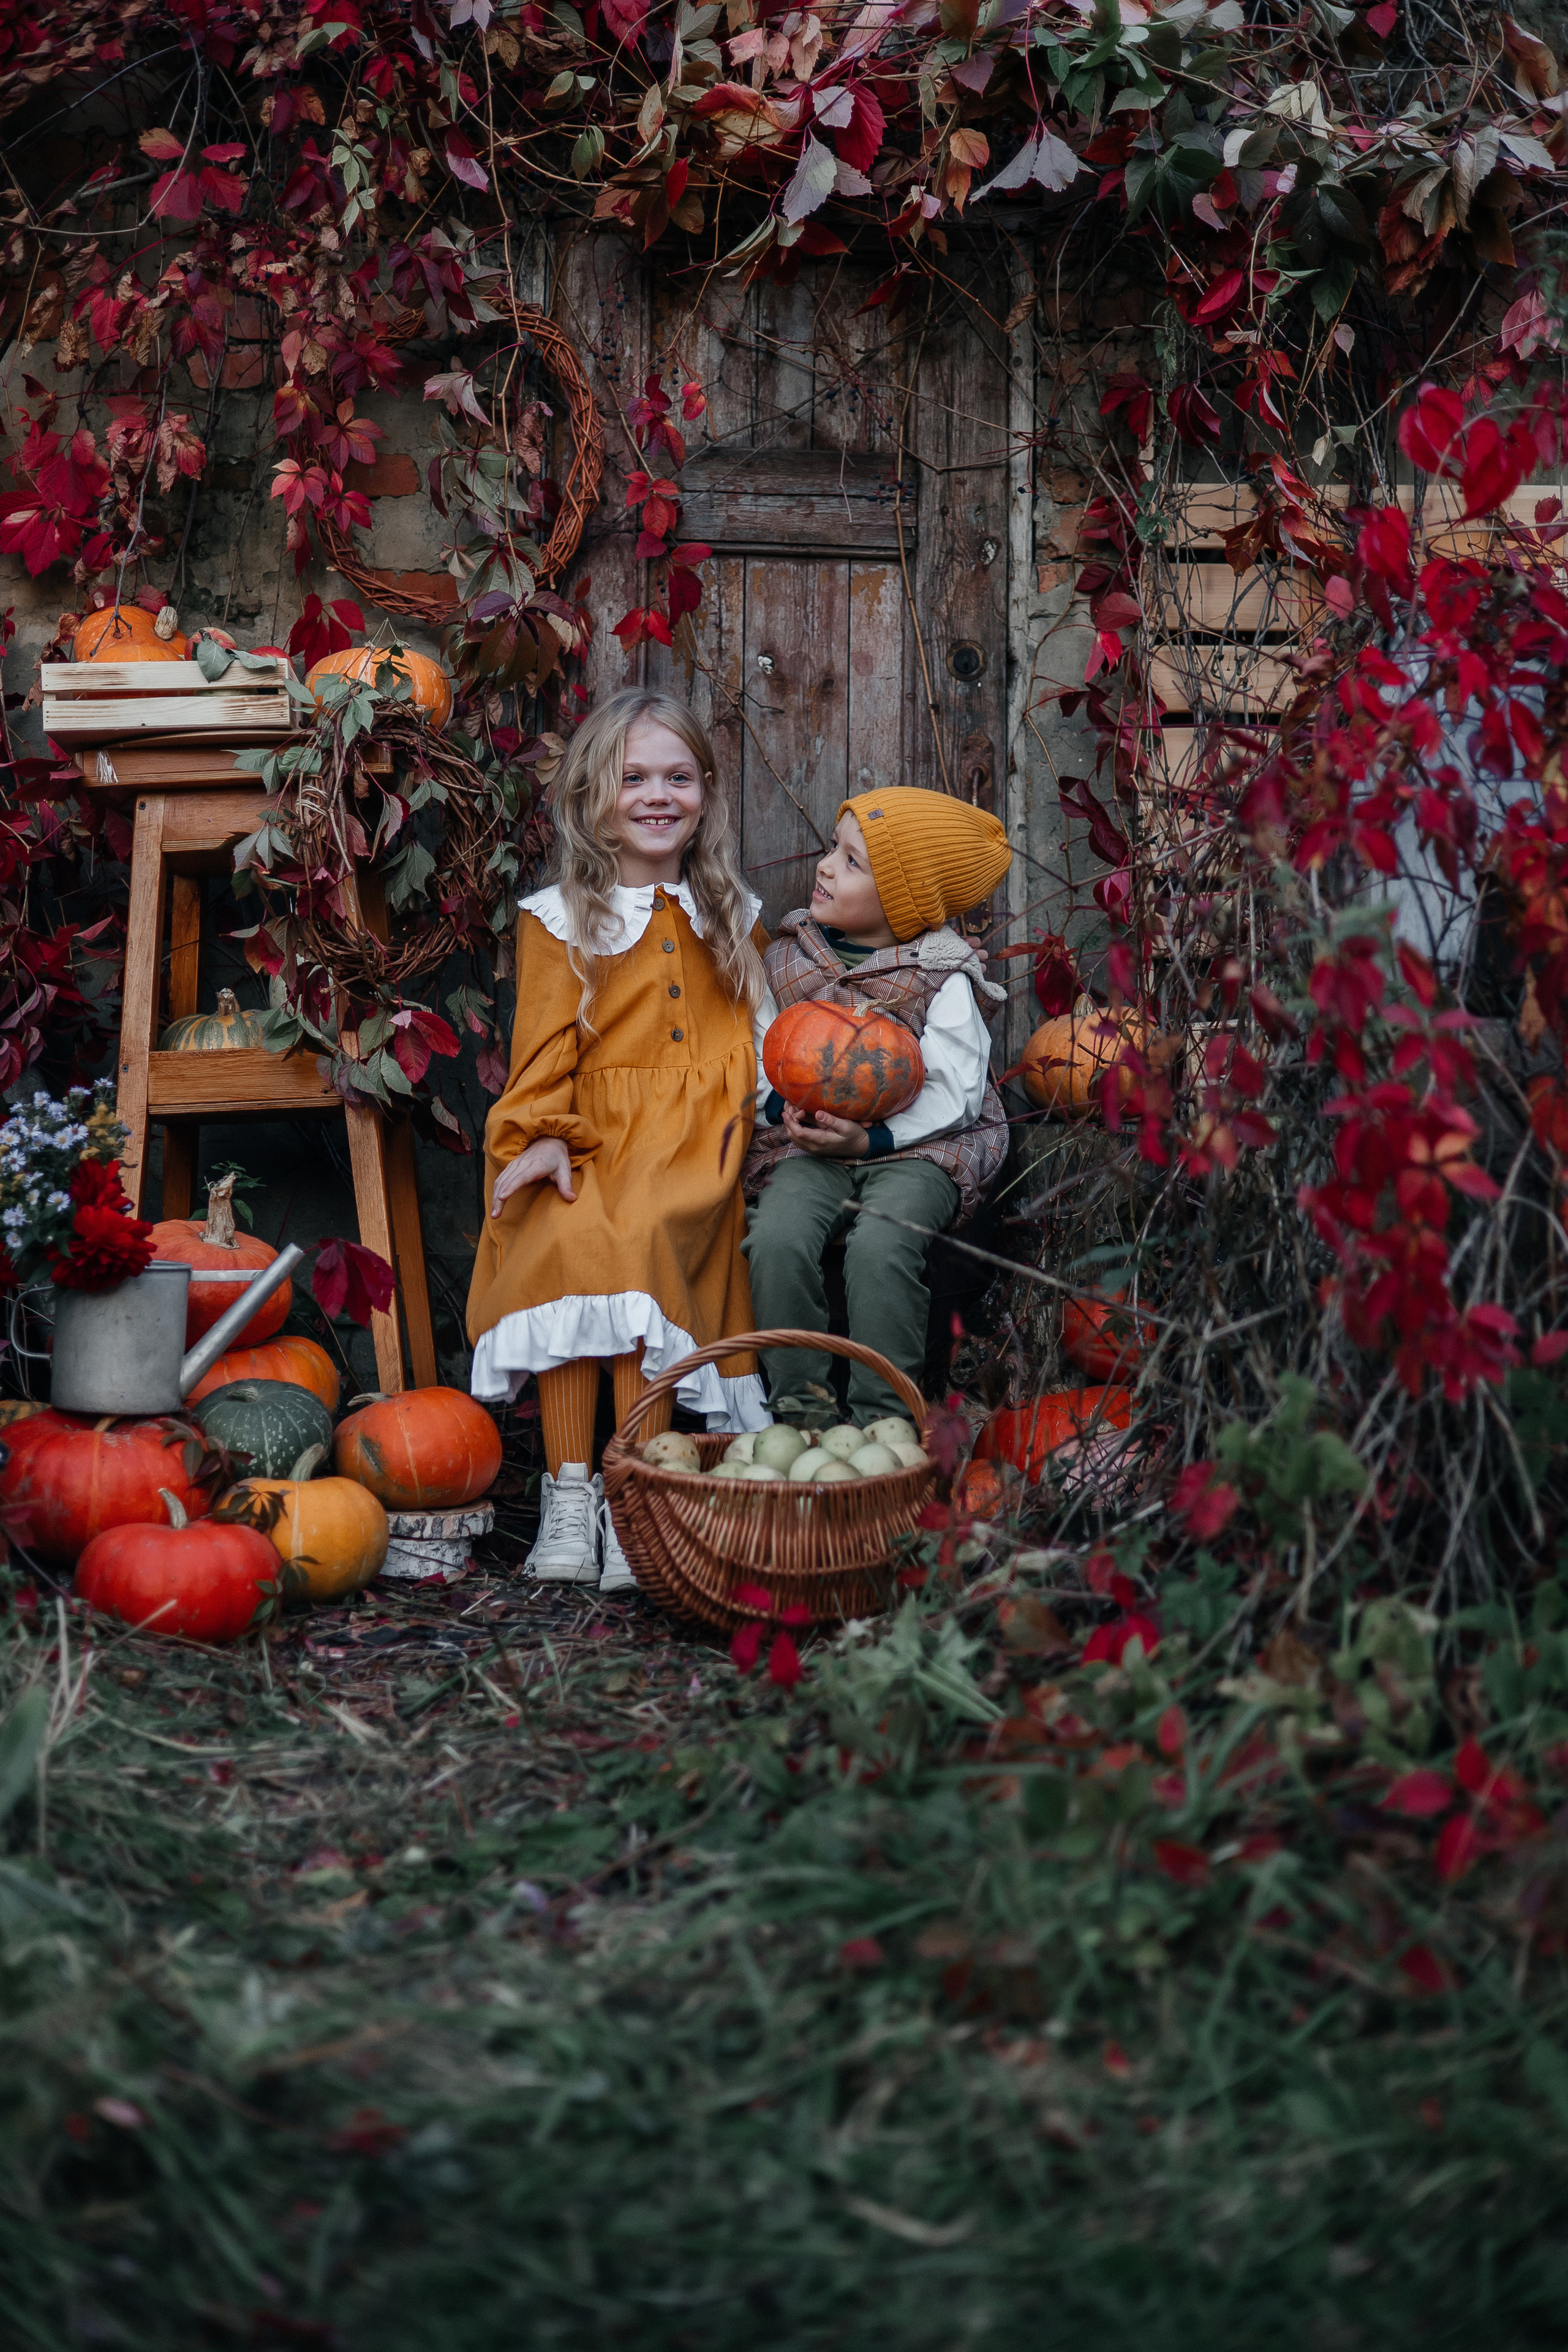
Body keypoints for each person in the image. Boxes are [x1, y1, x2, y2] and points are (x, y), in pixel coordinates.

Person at [467, 689, 774, 1592]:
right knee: (567, 1236)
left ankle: (631, 1489)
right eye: (632, 777)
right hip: (591, 1135)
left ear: (707, 794)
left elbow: (758, 1038)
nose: (657, 795)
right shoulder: (562, 916)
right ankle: (572, 1492)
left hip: (694, 1144)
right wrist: (540, 1137)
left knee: (637, 1239)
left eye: (678, 777)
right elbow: (545, 1047)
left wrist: (774, 1107)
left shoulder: (732, 915)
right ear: (592, 797)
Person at [742, 786, 1012, 1428]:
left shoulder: (942, 975)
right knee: (775, 1239)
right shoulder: (784, 960)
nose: (825, 866)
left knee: (883, 1246)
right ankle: (801, 1415)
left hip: (917, 1151)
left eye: (851, 861)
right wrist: (785, 1107)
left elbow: (957, 1090)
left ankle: (882, 1424)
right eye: (832, 850)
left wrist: (874, 1143)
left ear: (903, 897)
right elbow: (759, 1053)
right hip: (809, 1143)